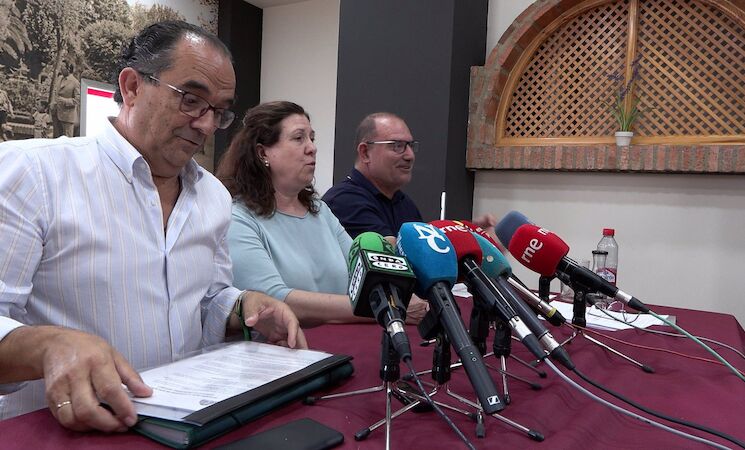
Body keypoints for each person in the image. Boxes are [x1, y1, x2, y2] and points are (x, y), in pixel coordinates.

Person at [0, 21, 305, 432]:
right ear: (132, 87)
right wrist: (48, 346)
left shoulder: (213, 197)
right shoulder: (33, 174)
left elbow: (205, 299)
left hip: (186, 426)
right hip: (64, 432)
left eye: (219, 112)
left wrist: (243, 305)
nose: (206, 125)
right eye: (191, 100)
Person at [216, 102, 426, 327]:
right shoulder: (238, 217)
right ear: (262, 153)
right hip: (283, 345)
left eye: (312, 138)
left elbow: (362, 272)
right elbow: (273, 299)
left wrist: (395, 299)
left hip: (340, 341)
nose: (312, 148)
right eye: (299, 138)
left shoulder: (320, 210)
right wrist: (386, 307)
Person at [323, 112, 496, 241]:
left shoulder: (404, 204)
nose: (410, 155)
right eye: (397, 146)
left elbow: (424, 246)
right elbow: (394, 261)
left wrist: (467, 232)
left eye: (410, 145)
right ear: (365, 152)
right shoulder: (345, 202)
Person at [54, 63, 80, 137]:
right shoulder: (59, 78)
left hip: (68, 117)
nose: (61, 69)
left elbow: (77, 100)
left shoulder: (75, 82)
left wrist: (64, 101)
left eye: (62, 67)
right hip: (57, 114)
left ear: (68, 69)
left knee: (67, 139)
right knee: (56, 138)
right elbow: (56, 92)